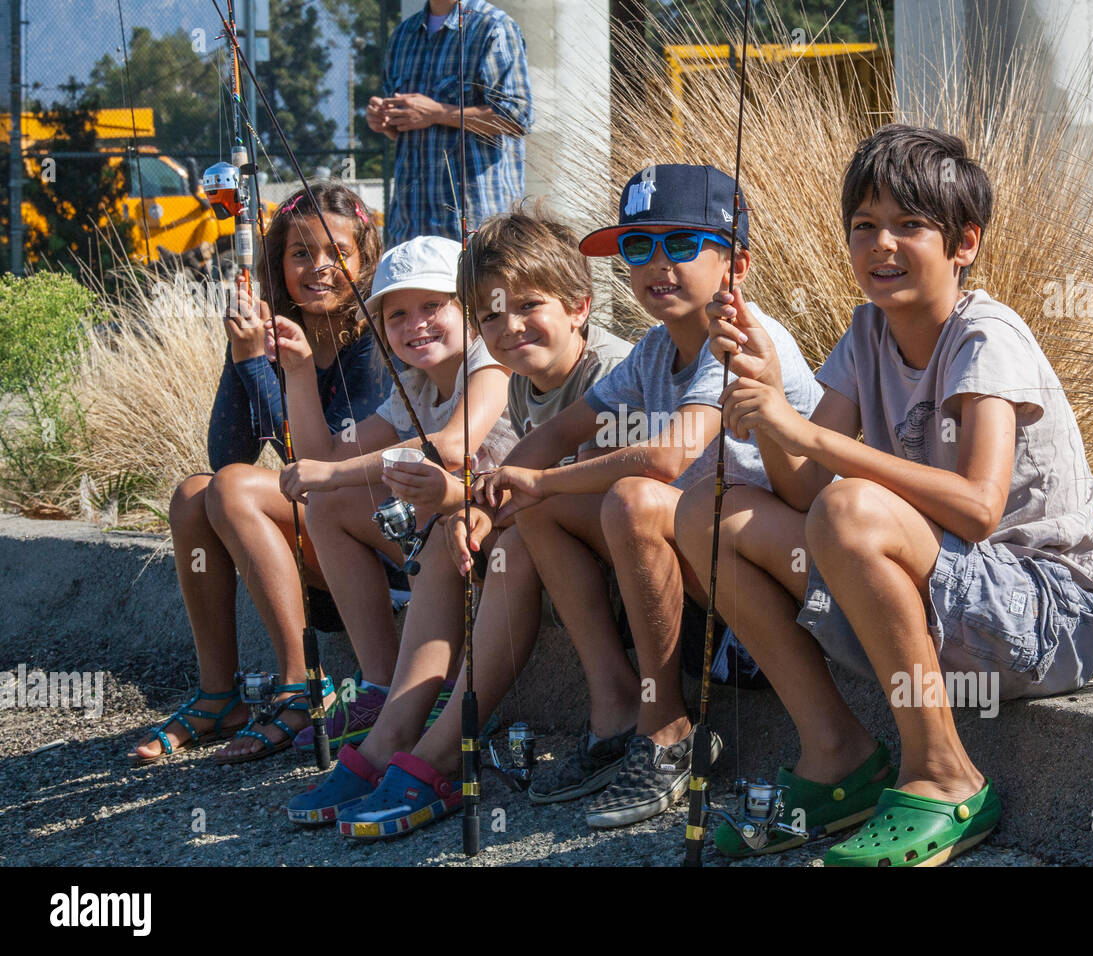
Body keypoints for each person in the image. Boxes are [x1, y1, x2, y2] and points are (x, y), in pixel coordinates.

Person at [676, 124, 1093, 866]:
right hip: (941, 606)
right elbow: (804, 487)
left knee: (852, 510)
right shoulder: (865, 335)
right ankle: (837, 754)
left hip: (1046, 616)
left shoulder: (988, 336)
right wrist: (764, 392)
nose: (882, 245)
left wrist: (807, 434)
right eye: (864, 227)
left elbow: (978, 506)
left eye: (910, 225)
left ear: (964, 243)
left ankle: (946, 775)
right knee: (710, 511)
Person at [475, 164, 822, 830]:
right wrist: (498, 495)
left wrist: (542, 481)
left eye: (681, 245)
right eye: (638, 248)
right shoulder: (654, 351)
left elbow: (668, 455)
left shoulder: (744, 336)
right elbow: (562, 432)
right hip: (700, 568)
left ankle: (667, 733)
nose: (656, 265)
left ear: (736, 263)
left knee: (632, 496)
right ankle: (615, 713)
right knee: (538, 509)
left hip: (776, 583)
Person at [284, 203, 634, 836]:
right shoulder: (527, 375)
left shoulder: (591, 369)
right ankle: (395, 728)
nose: (511, 326)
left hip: (621, 560)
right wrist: (467, 508)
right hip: (555, 542)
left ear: (580, 305)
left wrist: (468, 503)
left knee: (510, 536)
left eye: (528, 306)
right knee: (456, 527)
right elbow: (512, 481)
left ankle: (442, 749)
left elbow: (585, 486)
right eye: (494, 313)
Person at [224, 233, 517, 763]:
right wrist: (297, 369)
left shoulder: (491, 363)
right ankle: (382, 685)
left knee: (351, 493)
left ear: (471, 310)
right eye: (396, 314)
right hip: (450, 530)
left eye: (433, 305)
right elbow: (327, 460)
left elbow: (450, 446)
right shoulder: (415, 386)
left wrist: (330, 476)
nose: (415, 324)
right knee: (330, 506)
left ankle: (435, 691)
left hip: (497, 526)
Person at [129, 182, 388, 767]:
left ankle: (302, 686)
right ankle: (220, 695)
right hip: (321, 531)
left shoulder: (377, 341)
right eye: (300, 254)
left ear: (365, 259)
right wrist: (240, 354)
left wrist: (257, 366)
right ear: (278, 264)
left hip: (376, 541)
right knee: (195, 493)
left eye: (337, 253)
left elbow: (324, 463)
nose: (318, 268)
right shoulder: (276, 334)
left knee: (230, 489)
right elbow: (228, 455)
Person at [368, 0, 533, 246]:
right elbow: (407, 128)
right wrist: (385, 120)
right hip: (410, 229)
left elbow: (517, 117)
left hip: (477, 230)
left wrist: (438, 113)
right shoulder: (403, 36)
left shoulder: (493, 27)